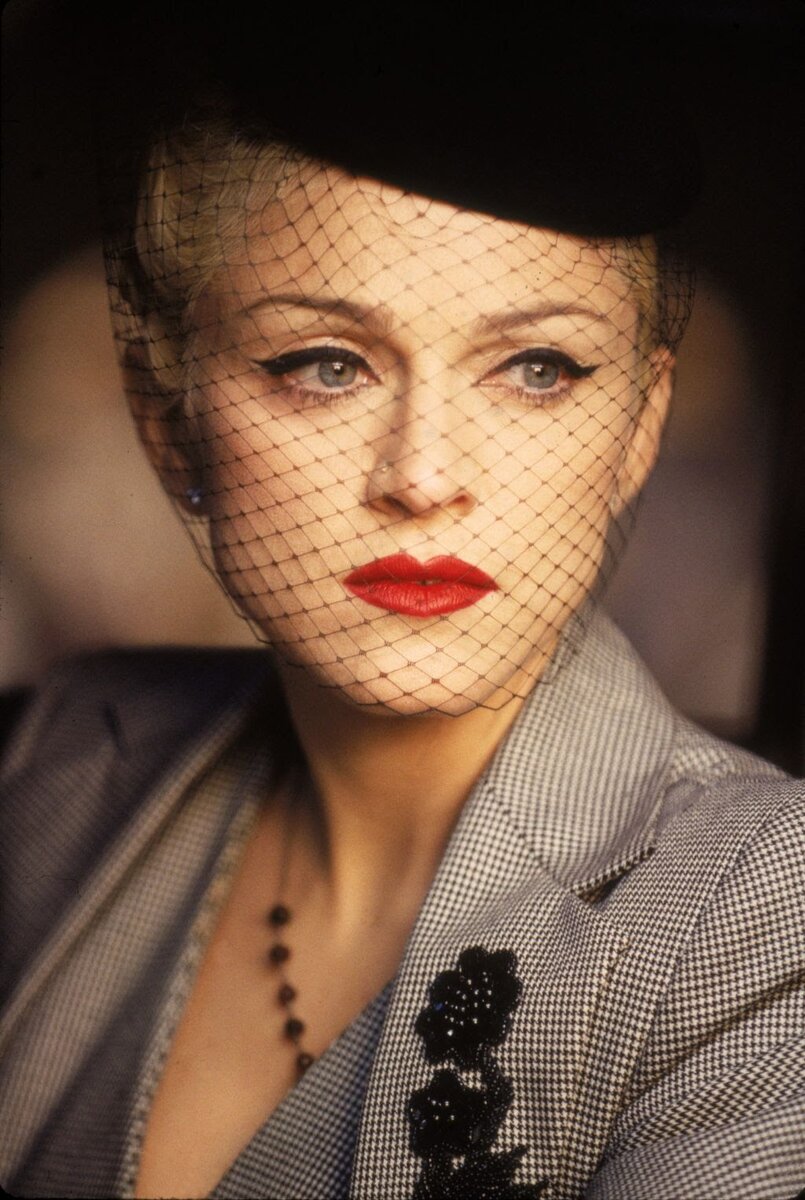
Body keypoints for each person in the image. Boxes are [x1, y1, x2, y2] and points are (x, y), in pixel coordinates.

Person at [1, 13, 803, 1199]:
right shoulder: (57, 756)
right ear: (170, 422)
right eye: (325, 365)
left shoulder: (761, 907)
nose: (422, 477)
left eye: (535, 369)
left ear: (637, 431)